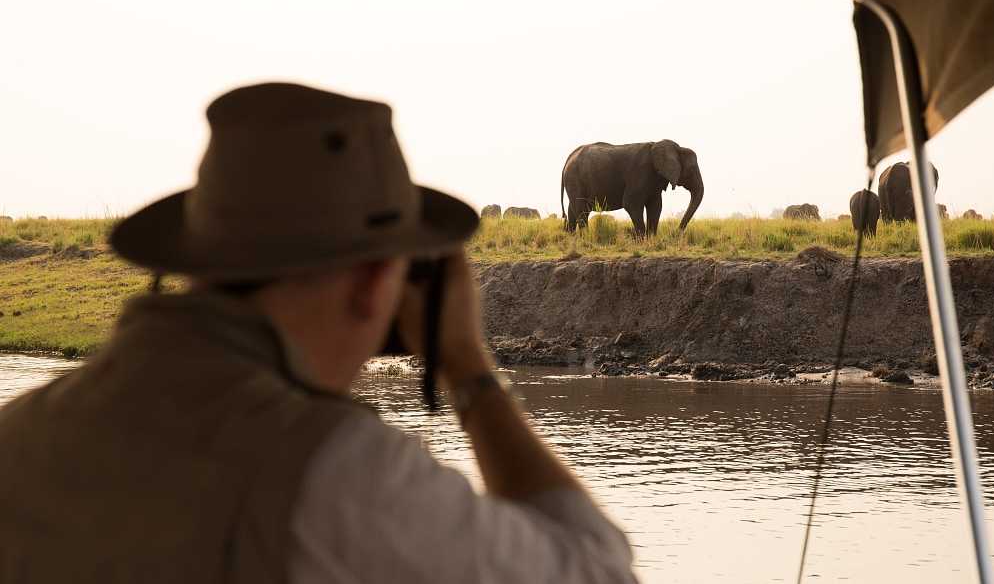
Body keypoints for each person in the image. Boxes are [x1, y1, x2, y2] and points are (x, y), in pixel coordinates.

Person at [0, 83, 636, 583]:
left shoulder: (22, 430)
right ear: (372, 283)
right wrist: (468, 369)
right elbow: (598, 574)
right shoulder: (337, 471)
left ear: (196, 260)